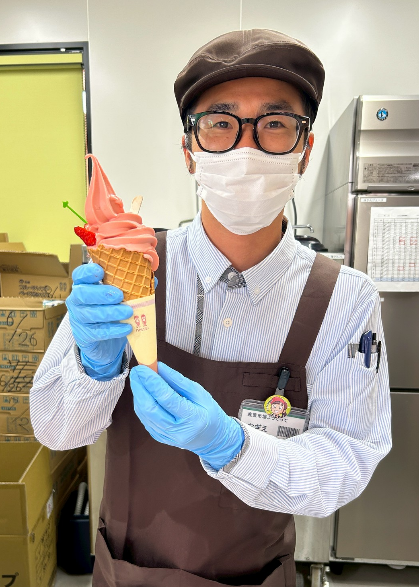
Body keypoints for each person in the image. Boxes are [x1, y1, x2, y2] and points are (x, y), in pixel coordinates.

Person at [30, 29, 391, 586]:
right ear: (189, 151)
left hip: (255, 575)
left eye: (275, 123)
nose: (246, 149)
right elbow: (56, 431)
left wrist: (233, 447)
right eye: (220, 123)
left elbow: (347, 464)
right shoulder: (130, 268)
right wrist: (94, 366)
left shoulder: (344, 299)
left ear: (305, 149)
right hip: (124, 572)